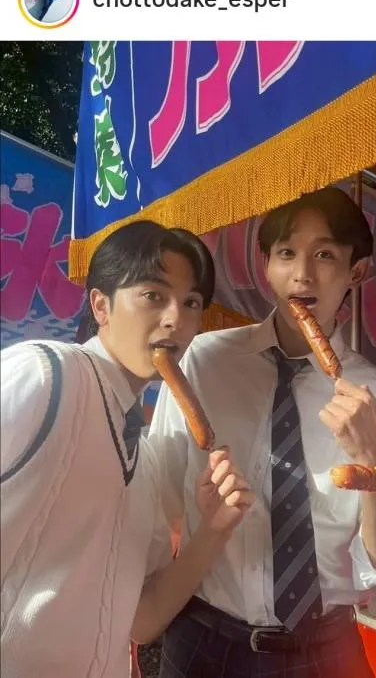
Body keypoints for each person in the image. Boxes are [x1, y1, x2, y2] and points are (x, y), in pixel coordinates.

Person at [146, 187, 376, 678]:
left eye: (325, 255)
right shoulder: (204, 362)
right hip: (201, 634)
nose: (303, 274)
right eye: (286, 254)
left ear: (356, 271)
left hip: (323, 649)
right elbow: (161, 498)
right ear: (266, 267)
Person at [1, 220, 253, 678]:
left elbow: (143, 618)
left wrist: (214, 529)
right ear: (101, 305)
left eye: (191, 303)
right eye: (153, 295)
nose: (176, 319)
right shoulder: (47, 375)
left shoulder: (145, 457)